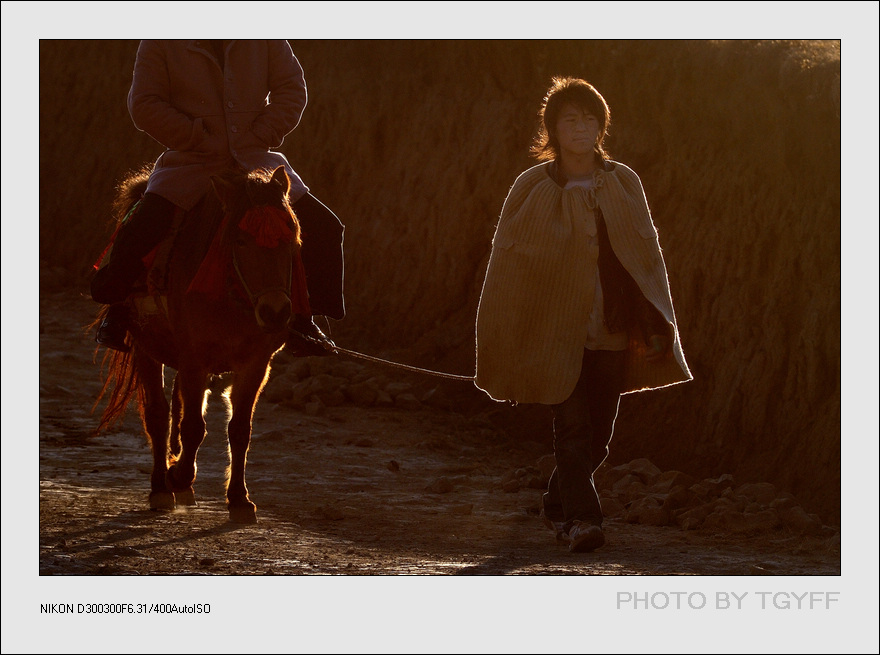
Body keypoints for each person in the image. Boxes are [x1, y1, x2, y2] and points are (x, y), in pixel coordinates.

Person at [474, 77, 692, 553]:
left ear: (601, 127)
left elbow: (645, 257)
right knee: (572, 429)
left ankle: (557, 498)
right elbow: (510, 265)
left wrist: (650, 321)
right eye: (570, 119)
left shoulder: (623, 181)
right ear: (552, 128)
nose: (581, 127)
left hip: (611, 327)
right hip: (556, 333)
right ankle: (581, 521)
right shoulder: (531, 187)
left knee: (599, 439)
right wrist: (511, 333)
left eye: (590, 118)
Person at [91, 40, 344, 355]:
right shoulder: (161, 40)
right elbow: (144, 103)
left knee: (325, 227)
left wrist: (261, 133)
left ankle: (305, 322)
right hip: (191, 163)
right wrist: (194, 135)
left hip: (256, 162)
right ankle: (118, 311)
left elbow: (292, 89)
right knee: (141, 227)